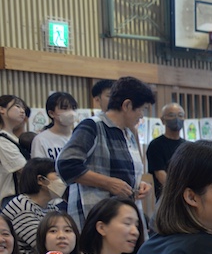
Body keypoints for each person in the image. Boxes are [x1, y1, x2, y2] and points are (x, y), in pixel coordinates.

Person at [58, 78, 152, 228]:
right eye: (142, 109)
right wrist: (108, 183)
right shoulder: (93, 126)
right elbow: (66, 165)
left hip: (124, 220)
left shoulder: (128, 133)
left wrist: (139, 184)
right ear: (127, 105)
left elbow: (125, 174)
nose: (142, 115)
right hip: (96, 220)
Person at [2, 158, 64, 254]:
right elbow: (45, 245)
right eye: (57, 176)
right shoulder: (22, 206)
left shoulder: (52, 208)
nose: (63, 181)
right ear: (40, 180)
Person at [146, 103, 186, 200]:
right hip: (166, 197)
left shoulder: (187, 146)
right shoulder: (155, 145)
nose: (177, 119)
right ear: (163, 120)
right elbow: (160, 174)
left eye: (180, 115)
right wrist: (179, 191)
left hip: (187, 195)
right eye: (171, 115)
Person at [31, 91, 77, 161]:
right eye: (64, 108)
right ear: (51, 113)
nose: (71, 113)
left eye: (73, 108)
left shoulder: (80, 137)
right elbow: (38, 166)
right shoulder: (41, 140)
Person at [0, 95, 30, 202]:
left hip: (21, 198)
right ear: (2, 109)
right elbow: (24, 170)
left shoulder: (14, 138)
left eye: (23, 108)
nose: (22, 111)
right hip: (11, 200)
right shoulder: (2, 140)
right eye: (17, 106)